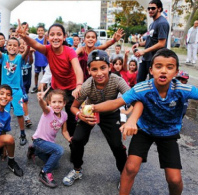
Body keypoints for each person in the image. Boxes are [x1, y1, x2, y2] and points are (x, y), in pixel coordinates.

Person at [92, 48, 197, 195]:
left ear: (177, 72)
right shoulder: (142, 88)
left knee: (174, 179)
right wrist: (93, 107)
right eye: (158, 66)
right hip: (144, 130)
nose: (163, 71)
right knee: (130, 168)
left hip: (169, 133)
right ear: (151, 70)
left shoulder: (183, 89)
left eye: (169, 67)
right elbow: (117, 103)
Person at [62, 50, 129, 187]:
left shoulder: (117, 81)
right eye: (94, 69)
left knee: (117, 146)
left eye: (103, 68)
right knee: (77, 140)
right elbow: (74, 107)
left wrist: (129, 117)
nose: (99, 73)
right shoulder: (87, 85)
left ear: (109, 67)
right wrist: (80, 115)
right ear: (89, 70)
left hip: (111, 114)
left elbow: (132, 96)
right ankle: (77, 169)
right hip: (90, 112)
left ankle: (124, 174)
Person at [17, 20, 83, 141]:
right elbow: (35, 45)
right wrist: (24, 36)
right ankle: (40, 139)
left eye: (59, 34)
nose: (55, 37)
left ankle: (73, 144)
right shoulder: (48, 49)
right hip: (55, 88)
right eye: (52, 35)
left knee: (72, 121)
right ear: (48, 37)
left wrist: (79, 86)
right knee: (47, 115)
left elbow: (78, 69)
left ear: (64, 37)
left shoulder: (70, 52)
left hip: (71, 90)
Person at [27, 89, 70, 188]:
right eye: (54, 102)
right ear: (49, 103)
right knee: (59, 150)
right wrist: (40, 100)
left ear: (64, 103)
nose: (57, 105)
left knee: (55, 165)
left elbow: (64, 131)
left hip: (48, 143)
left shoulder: (64, 115)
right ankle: (44, 173)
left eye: (60, 102)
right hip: (39, 141)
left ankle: (34, 151)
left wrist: (69, 140)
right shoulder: (48, 111)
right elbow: (43, 106)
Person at [0, 37, 30, 145]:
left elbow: (26, 53)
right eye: (10, 45)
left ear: (18, 48)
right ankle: (2, 136)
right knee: (3, 113)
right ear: (6, 47)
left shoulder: (19, 58)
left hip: (17, 91)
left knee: (19, 113)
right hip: (4, 91)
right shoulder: (3, 57)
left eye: (15, 45)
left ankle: (23, 134)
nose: (12, 47)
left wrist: (28, 45)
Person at [132, 0, 169, 83]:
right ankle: (140, 96)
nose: (150, 10)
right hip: (146, 58)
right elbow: (150, 40)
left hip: (155, 59)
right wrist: (138, 44)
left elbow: (162, 43)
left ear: (159, 9)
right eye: (149, 8)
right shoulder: (153, 23)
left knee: (154, 82)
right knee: (139, 81)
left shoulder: (162, 23)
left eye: (153, 8)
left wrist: (144, 51)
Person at [19, 38, 33, 127]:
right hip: (19, 83)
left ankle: (22, 111)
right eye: (19, 44)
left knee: (25, 101)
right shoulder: (16, 57)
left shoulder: (28, 57)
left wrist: (30, 53)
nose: (22, 45)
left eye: (24, 43)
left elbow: (31, 62)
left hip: (27, 82)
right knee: (24, 100)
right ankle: (27, 119)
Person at [31, 25, 49, 93]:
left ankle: (45, 87)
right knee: (36, 74)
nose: (40, 32)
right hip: (37, 61)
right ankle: (35, 86)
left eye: (42, 30)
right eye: (39, 30)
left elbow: (45, 46)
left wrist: (45, 37)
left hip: (45, 61)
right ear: (37, 31)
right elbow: (32, 48)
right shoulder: (35, 40)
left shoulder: (46, 40)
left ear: (44, 31)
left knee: (45, 74)